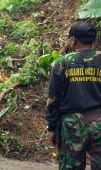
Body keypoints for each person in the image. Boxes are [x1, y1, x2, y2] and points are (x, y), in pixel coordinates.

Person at [45, 20, 101, 170]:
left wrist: (51, 127)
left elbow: (53, 98)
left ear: (73, 39)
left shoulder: (62, 63)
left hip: (71, 125)